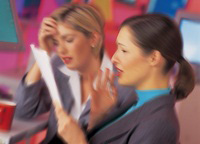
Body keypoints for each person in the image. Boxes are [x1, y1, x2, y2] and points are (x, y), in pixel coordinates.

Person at [54, 14, 195, 144]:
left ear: (153, 58)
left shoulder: (161, 125)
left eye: (124, 50)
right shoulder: (124, 94)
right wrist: (96, 117)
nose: (114, 59)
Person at [14, 3, 135, 144]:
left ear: (93, 39)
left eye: (69, 40)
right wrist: (43, 52)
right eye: (56, 42)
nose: (61, 50)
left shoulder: (123, 87)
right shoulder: (60, 67)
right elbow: (24, 109)